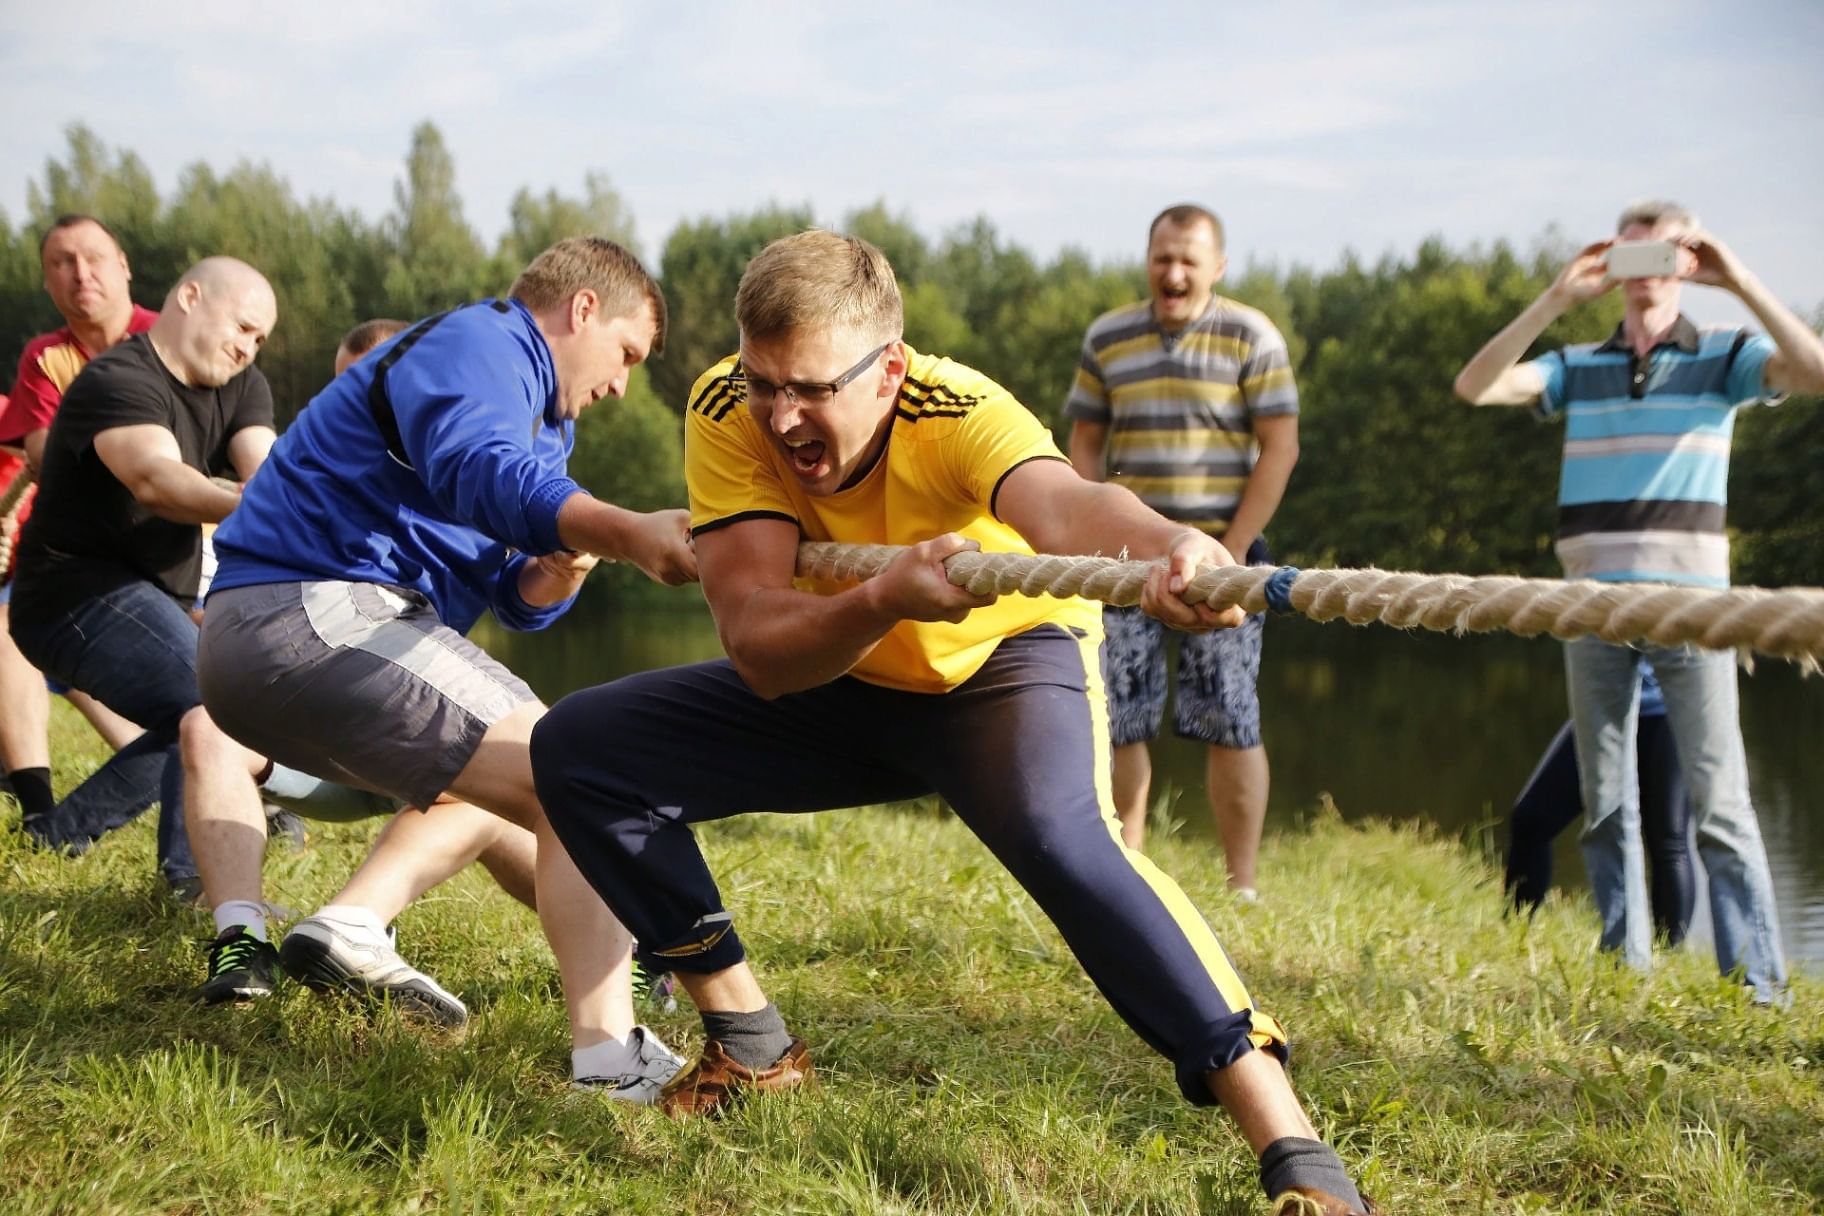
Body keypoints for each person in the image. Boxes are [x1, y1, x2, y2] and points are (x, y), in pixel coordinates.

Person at [530, 231, 1373, 1214]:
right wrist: (882, 598)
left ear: (888, 370)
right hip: (841, 667)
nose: (784, 415)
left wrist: (1173, 545)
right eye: (766, 383)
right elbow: (759, 640)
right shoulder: (727, 406)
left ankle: (1298, 1152)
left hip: (999, 671)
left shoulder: (957, 407)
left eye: (810, 388)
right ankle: (749, 1042)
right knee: (582, 751)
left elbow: (1065, 507)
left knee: (1068, 842)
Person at [197, 237, 699, 1100]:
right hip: (310, 610)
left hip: (306, 635)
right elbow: (481, 472)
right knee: (587, 770)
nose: (622, 384)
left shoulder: (544, 421)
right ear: (582, 310)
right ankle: (610, 1059)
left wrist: (562, 563)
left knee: (557, 788)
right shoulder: (484, 343)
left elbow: (512, 593)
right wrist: (620, 528)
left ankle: (608, 1022)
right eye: (626, 353)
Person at [1454, 199, 1824, 1003]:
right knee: (1604, 806)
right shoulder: (1579, 363)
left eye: (1661, 256)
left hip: (1695, 611)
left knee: (1721, 808)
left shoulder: (1726, 356)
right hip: (1588, 608)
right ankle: (1627, 969)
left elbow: (1816, 371)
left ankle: (1759, 989)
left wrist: (1742, 280)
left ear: (1687, 264)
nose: (1644, 273)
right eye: (1630, 257)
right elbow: (1476, 386)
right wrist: (1556, 297)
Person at [7, 256, 280, 899]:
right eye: (241, 325)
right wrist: (265, 504)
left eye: (260, 338)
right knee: (213, 703)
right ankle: (190, 880)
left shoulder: (243, 385)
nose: (247, 346)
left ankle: (58, 833)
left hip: (157, 596)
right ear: (189, 297)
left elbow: (264, 472)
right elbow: (157, 482)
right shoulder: (119, 378)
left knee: (194, 716)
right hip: (70, 592)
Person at [1065, 204, 1299, 896]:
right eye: (1162, 257)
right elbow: (1085, 440)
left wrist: (1227, 549)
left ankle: (1242, 887)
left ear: (1216, 267)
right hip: (1125, 555)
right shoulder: (1107, 337)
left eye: (1189, 260)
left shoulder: (1252, 335)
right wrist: (1089, 521)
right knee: (1118, 714)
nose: (1173, 272)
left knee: (1230, 714)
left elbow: (1280, 448)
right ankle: (1126, 874)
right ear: (1148, 259)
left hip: (1228, 554)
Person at [1, 215, 157, 835]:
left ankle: (257, 788)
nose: (80, 274)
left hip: (176, 540)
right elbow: (42, 454)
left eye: (93, 257)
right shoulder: (47, 356)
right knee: (11, 626)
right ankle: (36, 803)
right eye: (62, 263)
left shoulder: (166, 340)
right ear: (47, 281)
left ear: (124, 265)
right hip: (76, 550)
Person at [1505, 661, 1694, 944]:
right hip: (1603, 708)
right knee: (1530, 819)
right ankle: (1515, 936)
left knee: (1668, 843)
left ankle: (1668, 954)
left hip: (1665, 712)